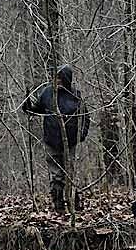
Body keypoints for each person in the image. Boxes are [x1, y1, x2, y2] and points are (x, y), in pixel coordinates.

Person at [22, 64, 90, 213]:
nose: (57, 81)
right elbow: (37, 110)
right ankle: (58, 206)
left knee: (70, 174)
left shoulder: (75, 96)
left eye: (60, 79)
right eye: (56, 78)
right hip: (51, 141)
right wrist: (27, 106)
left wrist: (81, 135)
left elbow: (85, 117)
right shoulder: (47, 93)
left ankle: (75, 205)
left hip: (70, 142)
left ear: (66, 80)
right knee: (56, 176)